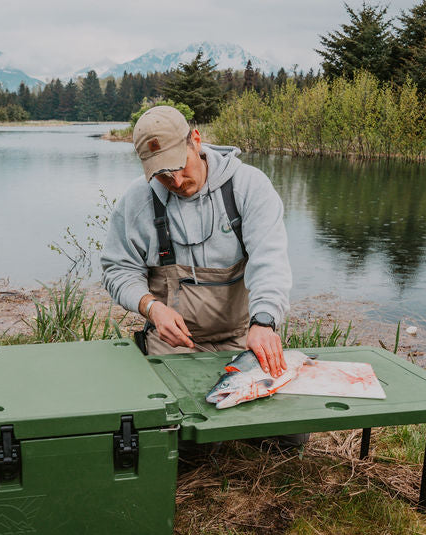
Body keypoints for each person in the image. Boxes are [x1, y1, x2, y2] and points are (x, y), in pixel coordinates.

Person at [101, 105, 292, 376]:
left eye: (180, 165)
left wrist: (263, 321)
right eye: (163, 174)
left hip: (243, 339)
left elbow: (270, 263)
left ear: (196, 140)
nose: (176, 180)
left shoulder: (249, 187)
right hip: (169, 344)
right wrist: (151, 308)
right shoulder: (137, 200)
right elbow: (118, 270)